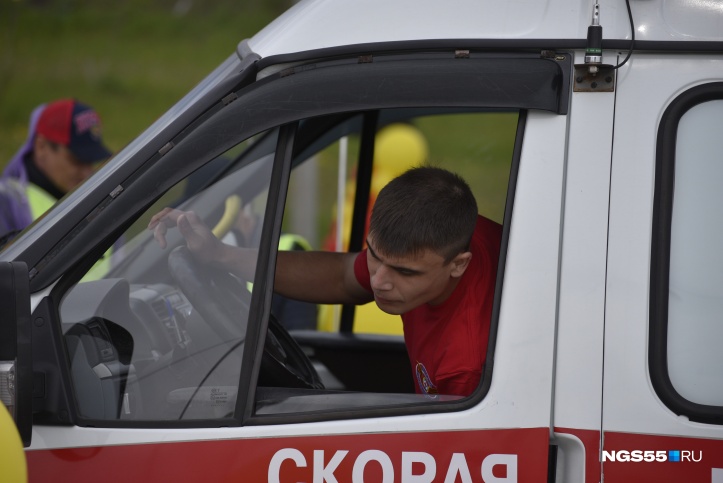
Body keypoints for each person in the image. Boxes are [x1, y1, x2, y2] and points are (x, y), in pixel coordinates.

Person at [149, 166, 502, 397]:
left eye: (404, 273)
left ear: (459, 265)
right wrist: (221, 255)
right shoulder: (446, 233)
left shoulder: (470, 365)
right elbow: (344, 276)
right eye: (373, 255)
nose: (379, 282)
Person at [0, 98, 112, 241]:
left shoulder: (102, 200)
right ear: (41, 147)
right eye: (76, 160)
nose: (87, 173)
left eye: (91, 161)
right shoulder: (6, 204)